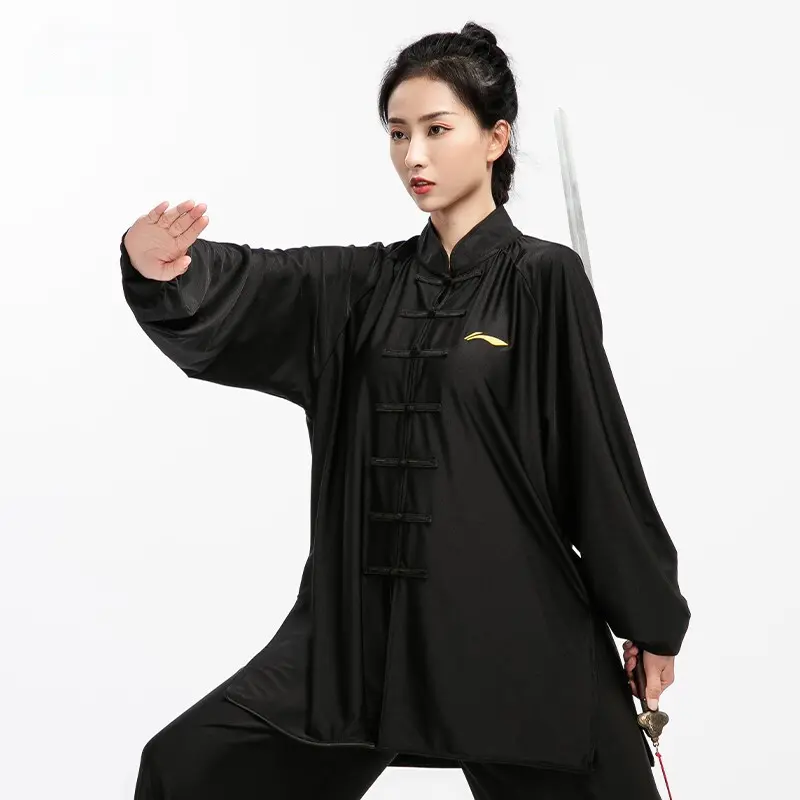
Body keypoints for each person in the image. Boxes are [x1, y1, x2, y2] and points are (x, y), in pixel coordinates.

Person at [121, 20, 690, 800]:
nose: (413, 155)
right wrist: (163, 271)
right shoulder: (359, 289)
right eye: (397, 133)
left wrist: (651, 621)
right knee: (187, 770)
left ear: (495, 139)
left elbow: (597, 463)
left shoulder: (543, 279)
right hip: (362, 644)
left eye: (436, 129)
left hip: (514, 633)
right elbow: (253, 284)